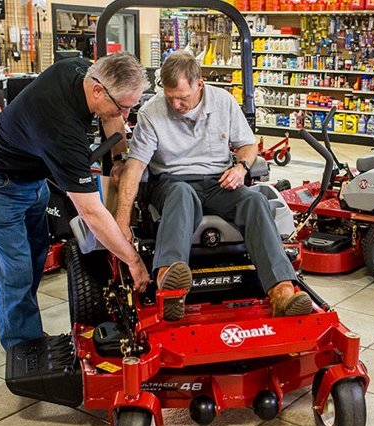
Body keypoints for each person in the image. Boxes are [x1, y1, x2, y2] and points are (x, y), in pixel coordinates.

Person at [0, 53, 151, 350]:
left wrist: (118, 158)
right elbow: (91, 212)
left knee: (37, 256)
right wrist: (134, 260)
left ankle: (22, 327)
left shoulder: (80, 68)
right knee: (15, 271)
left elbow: (112, 117)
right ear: (98, 91)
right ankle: (23, 348)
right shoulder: (62, 131)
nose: (126, 116)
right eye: (124, 107)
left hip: (30, 176)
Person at [115, 50, 312, 321]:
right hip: (172, 182)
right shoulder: (152, 112)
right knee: (182, 193)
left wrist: (240, 168)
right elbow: (134, 168)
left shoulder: (223, 102)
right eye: (171, 97)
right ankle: (169, 283)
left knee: (255, 201)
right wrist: (122, 222)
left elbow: (247, 145)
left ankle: (281, 292)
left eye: (182, 97)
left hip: (218, 181)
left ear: (200, 84)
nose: (176, 104)